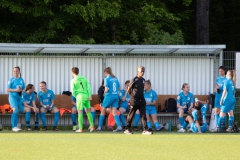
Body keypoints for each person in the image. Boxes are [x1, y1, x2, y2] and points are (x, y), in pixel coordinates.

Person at [124, 66, 152, 135]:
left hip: (141, 100)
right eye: (141, 71)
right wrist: (132, 96)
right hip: (134, 100)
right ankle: (127, 129)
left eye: (143, 71)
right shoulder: (134, 80)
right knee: (131, 114)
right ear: (138, 71)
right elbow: (128, 89)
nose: (142, 73)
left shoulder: (143, 80)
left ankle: (145, 130)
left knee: (143, 115)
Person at [97, 67, 122, 132]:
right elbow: (119, 88)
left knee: (103, 111)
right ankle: (119, 126)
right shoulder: (115, 78)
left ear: (105, 72)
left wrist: (104, 93)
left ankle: (99, 127)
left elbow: (106, 89)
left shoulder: (106, 79)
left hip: (109, 96)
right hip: (115, 96)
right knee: (114, 112)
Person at [71, 67, 94, 133]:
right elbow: (89, 87)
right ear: (78, 71)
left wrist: (77, 96)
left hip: (80, 96)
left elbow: (73, 91)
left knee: (80, 112)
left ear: (72, 72)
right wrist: (89, 95)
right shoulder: (84, 78)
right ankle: (92, 126)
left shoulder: (73, 80)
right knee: (88, 111)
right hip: (86, 96)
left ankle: (80, 128)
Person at [7, 66, 25, 132]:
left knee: (21, 110)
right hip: (13, 97)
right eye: (14, 71)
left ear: (19, 72)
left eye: (16, 71)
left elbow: (24, 88)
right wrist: (16, 90)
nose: (15, 72)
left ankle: (18, 126)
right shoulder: (11, 80)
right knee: (15, 109)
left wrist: (22, 90)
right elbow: (7, 89)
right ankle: (14, 127)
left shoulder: (21, 80)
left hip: (20, 98)